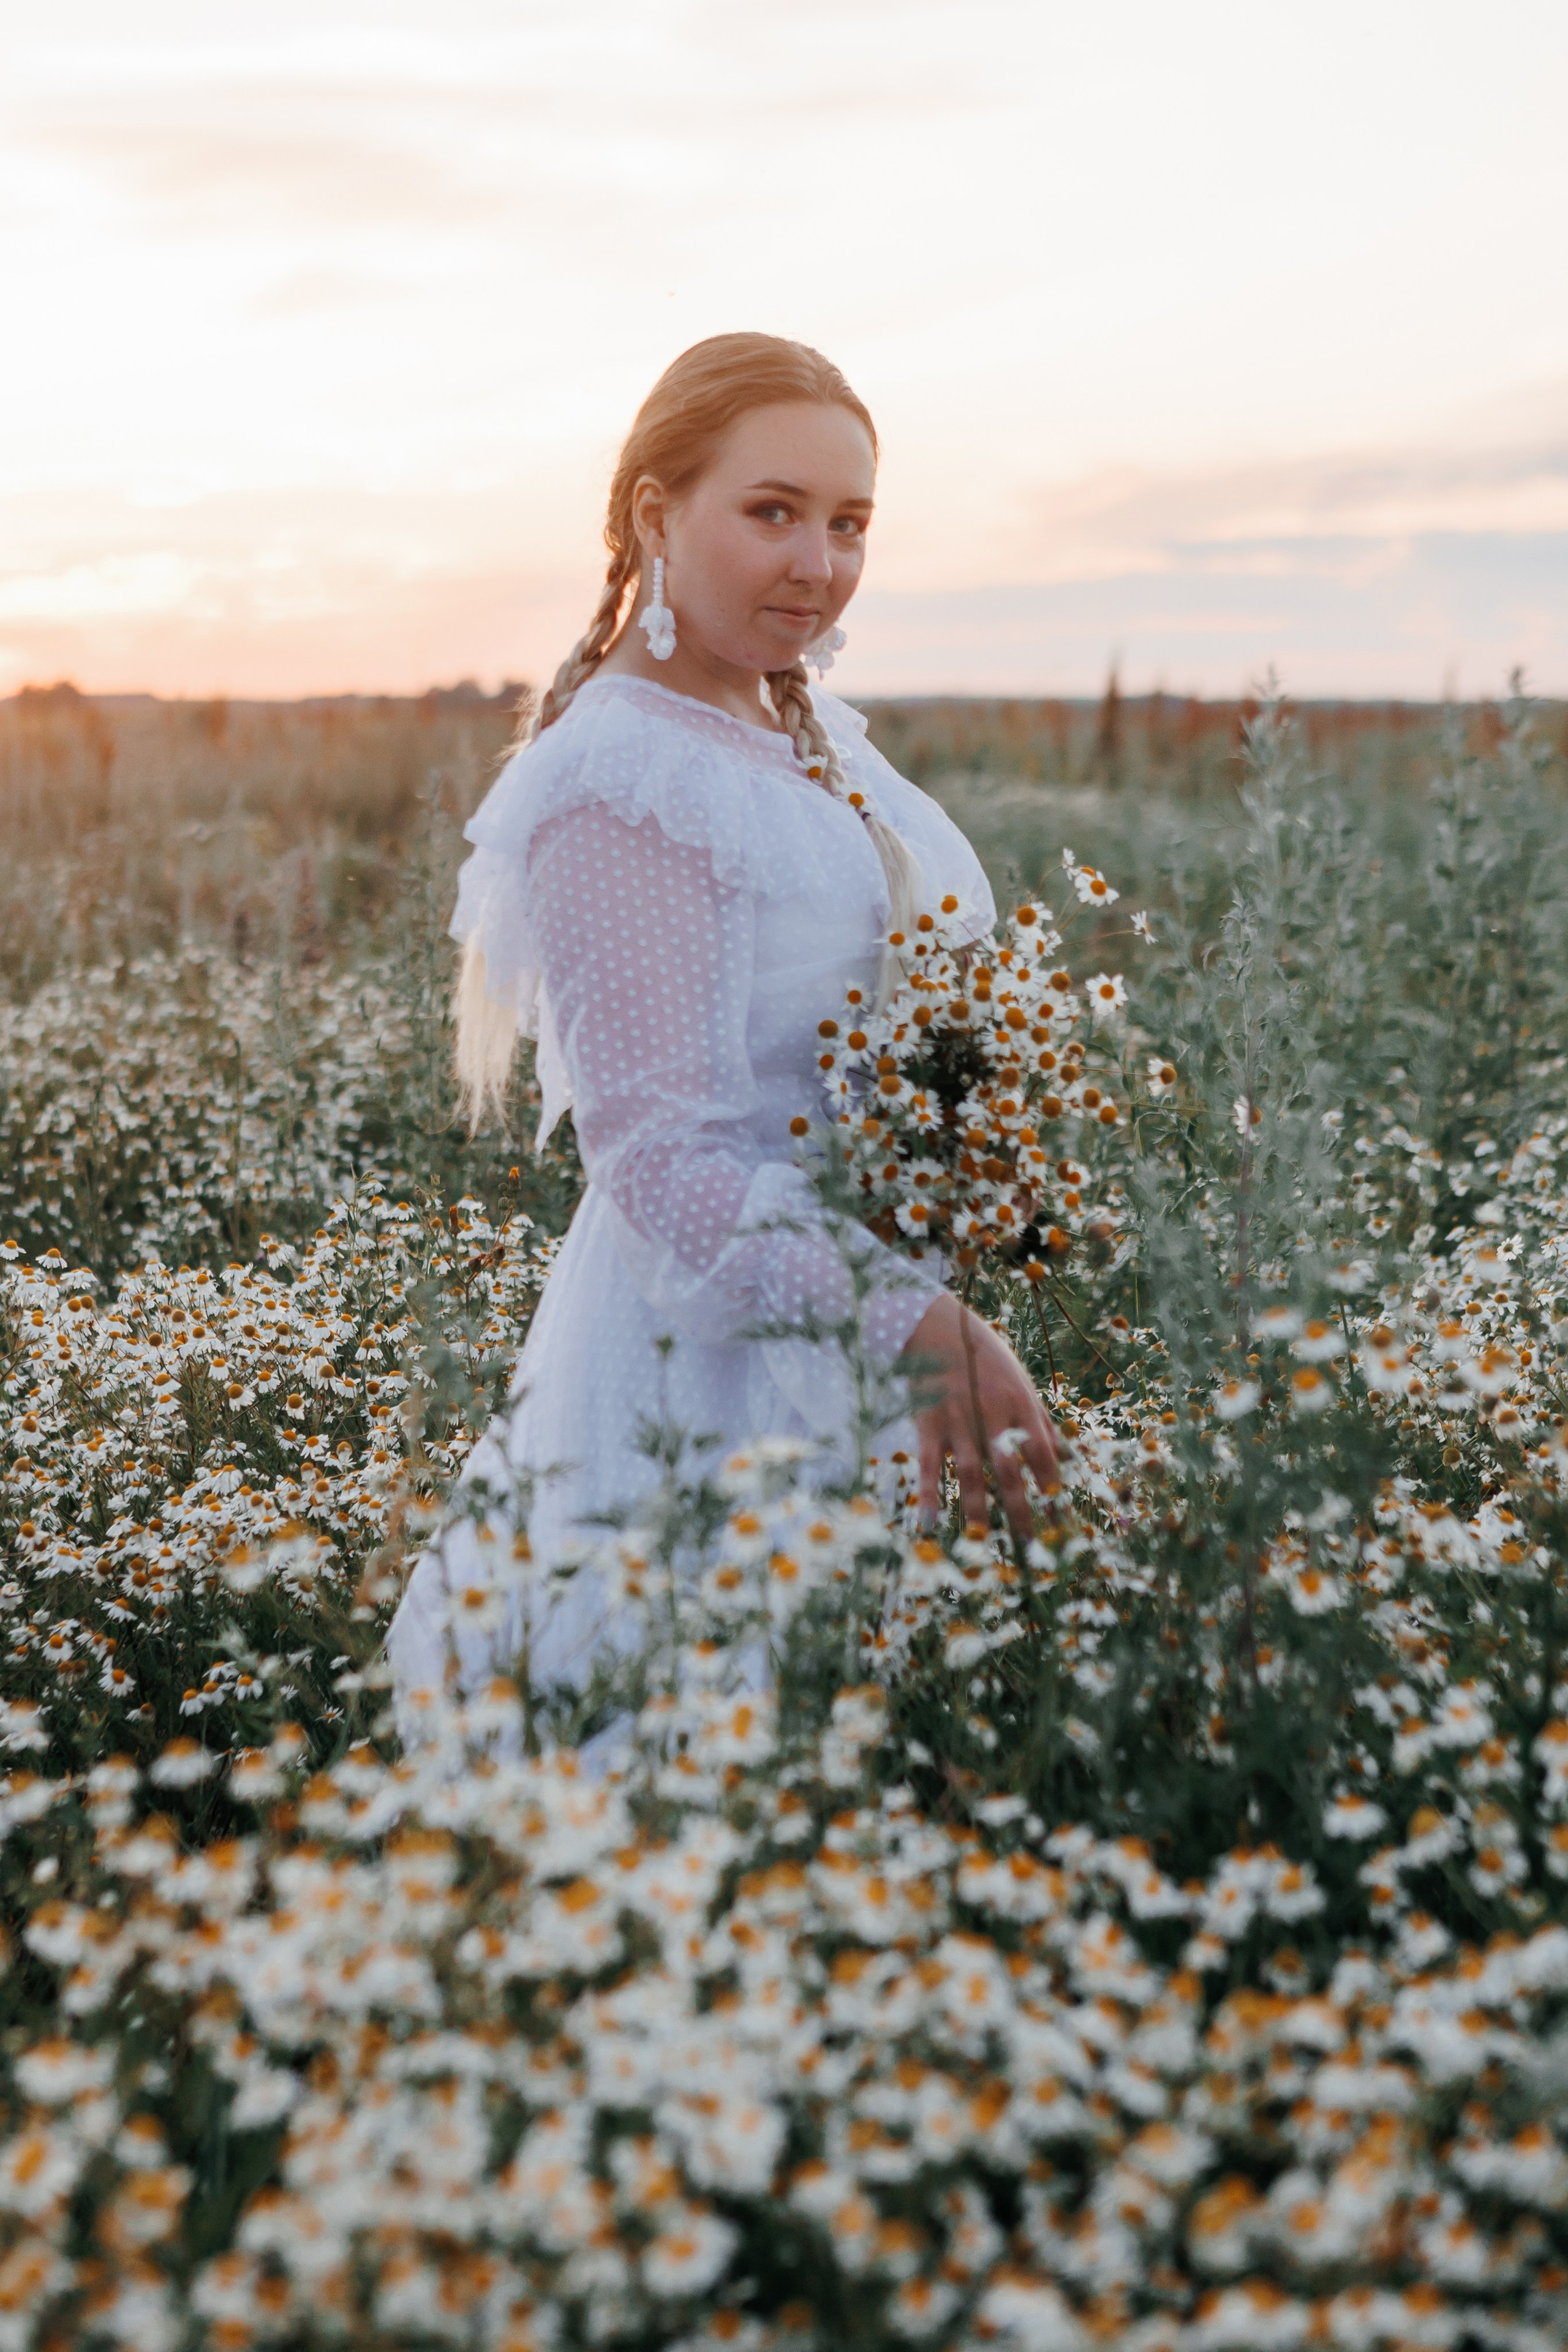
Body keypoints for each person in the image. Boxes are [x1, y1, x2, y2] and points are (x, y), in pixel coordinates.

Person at [388, 332, 1057, 1714]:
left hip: (867, 1317)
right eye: (772, 513)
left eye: (848, 524)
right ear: (653, 512)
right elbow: (658, 1167)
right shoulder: (624, 777)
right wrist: (911, 1321)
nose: (817, 565)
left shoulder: (798, 726)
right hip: (708, 1390)